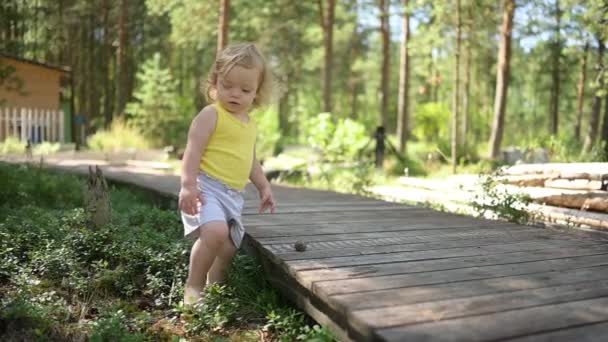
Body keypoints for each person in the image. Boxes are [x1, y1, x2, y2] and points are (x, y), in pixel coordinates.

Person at [179, 43, 276, 305]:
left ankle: (215, 288)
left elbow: (250, 161)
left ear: (256, 93)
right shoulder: (211, 115)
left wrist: (264, 186)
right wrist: (188, 186)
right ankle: (193, 287)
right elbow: (192, 151)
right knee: (214, 232)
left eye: (245, 89)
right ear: (215, 82)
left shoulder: (249, 124)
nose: (235, 94)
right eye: (227, 85)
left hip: (233, 194)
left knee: (228, 247)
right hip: (206, 187)